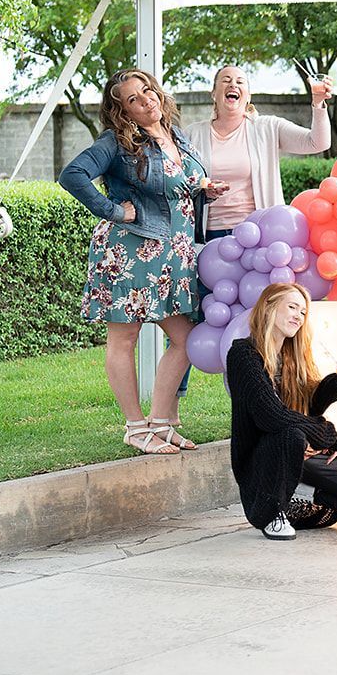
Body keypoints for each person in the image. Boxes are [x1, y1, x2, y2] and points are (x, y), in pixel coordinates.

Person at [59, 68, 228, 455]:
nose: (146, 99)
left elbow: (176, 185)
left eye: (147, 90)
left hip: (172, 254)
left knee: (186, 339)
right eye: (133, 99)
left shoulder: (175, 134)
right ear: (124, 112)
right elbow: (73, 175)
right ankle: (135, 427)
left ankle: (161, 422)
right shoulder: (116, 143)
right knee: (125, 337)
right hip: (130, 252)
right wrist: (115, 212)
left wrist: (204, 190)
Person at [179, 64, 333, 397]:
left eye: (240, 82)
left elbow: (316, 142)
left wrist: (318, 105)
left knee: (261, 322)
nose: (232, 86)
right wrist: (201, 188)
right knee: (196, 318)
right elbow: (179, 181)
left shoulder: (266, 128)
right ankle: (170, 404)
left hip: (258, 246)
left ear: (247, 94)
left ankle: (267, 399)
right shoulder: (194, 133)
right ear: (215, 93)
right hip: (209, 243)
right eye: (225, 81)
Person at [227, 282, 337, 540]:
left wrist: (333, 386)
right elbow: (270, 416)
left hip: (302, 451)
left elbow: (309, 409)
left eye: (303, 312)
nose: (298, 316)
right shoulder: (243, 353)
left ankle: (303, 492)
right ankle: (272, 512)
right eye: (292, 307)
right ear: (269, 307)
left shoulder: (292, 357)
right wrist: (326, 432)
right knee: (291, 435)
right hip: (266, 457)